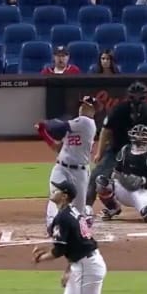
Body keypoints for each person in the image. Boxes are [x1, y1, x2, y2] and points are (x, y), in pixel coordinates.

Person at [85, 81, 147, 216]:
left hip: (141, 152)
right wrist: (100, 153)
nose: (137, 100)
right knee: (98, 174)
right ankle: (87, 206)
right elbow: (106, 131)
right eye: (134, 96)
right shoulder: (119, 110)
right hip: (117, 150)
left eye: (140, 96)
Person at [36, 95, 99, 234]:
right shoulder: (74, 126)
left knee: (78, 210)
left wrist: (45, 123)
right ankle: (52, 224)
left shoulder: (86, 123)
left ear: (93, 109)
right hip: (61, 167)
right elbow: (58, 148)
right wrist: (43, 133)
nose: (82, 108)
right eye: (81, 105)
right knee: (55, 195)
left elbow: (58, 126)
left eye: (86, 106)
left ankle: (85, 216)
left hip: (80, 172)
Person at [95, 124, 147, 222]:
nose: (139, 138)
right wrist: (125, 180)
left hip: (141, 193)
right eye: (137, 135)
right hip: (123, 189)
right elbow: (115, 173)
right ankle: (114, 208)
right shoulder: (124, 151)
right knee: (101, 183)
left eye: (141, 135)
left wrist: (144, 181)